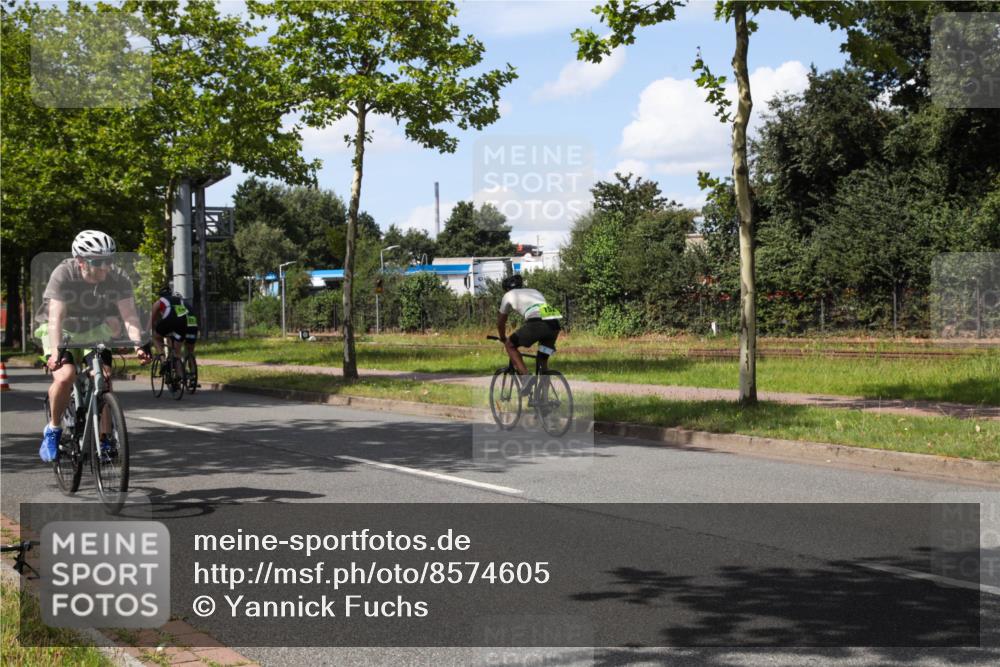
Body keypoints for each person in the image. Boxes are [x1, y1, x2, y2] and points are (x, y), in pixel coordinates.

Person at [35, 230, 150, 462]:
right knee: (65, 375)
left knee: (104, 378)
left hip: (94, 329)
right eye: (98, 262)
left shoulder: (117, 277)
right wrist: (57, 352)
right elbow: (56, 318)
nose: (105, 267)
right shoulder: (63, 273)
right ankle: (54, 429)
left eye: (109, 260)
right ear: (80, 261)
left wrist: (139, 344)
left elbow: (130, 316)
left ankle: (105, 439)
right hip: (63, 329)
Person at [496, 273, 562, 398]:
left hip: (537, 324)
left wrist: (503, 337)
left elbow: (500, 322)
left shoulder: (508, 295)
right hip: (554, 325)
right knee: (543, 364)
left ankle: (526, 377)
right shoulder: (534, 291)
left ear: (506, 289)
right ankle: (544, 402)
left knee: (510, 344)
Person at [148, 288, 199, 364]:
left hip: (174, 321)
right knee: (190, 352)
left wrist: (146, 331)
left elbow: (151, 320)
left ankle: (163, 359)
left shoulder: (160, 301)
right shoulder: (182, 303)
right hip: (191, 324)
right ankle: (191, 372)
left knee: (157, 337)